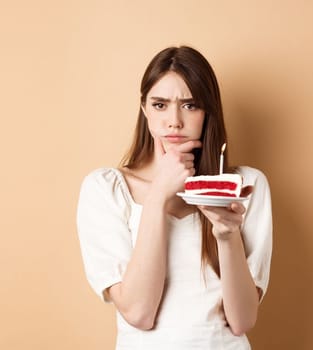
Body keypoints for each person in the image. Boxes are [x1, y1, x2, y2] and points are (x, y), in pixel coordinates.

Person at [76, 46, 272, 349]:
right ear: (144, 108)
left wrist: (226, 233)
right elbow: (139, 313)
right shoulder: (106, 189)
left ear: (209, 111)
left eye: (190, 105)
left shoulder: (245, 186)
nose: (174, 121)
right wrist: (157, 197)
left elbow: (242, 320)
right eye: (160, 105)